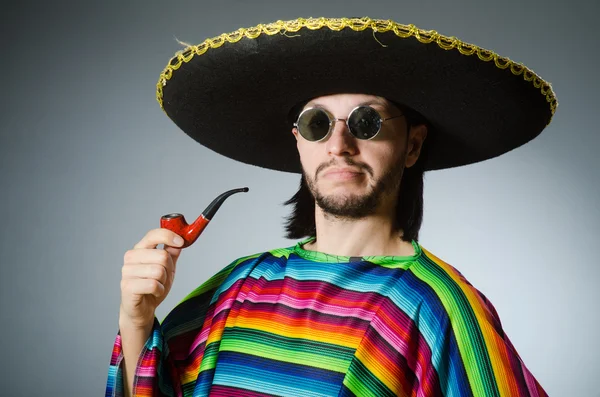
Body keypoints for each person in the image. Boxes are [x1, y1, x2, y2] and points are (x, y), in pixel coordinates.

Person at [106, 17, 556, 397]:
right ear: (299, 142)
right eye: (316, 123)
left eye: (367, 122)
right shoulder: (239, 287)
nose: (340, 146)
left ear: (412, 145)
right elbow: (152, 383)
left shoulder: (439, 308)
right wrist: (137, 318)